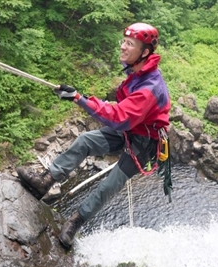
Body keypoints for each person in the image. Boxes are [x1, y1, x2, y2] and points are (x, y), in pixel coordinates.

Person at [16, 22, 172, 249]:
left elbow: (121, 117)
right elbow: (124, 112)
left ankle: (76, 221)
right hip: (130, 129)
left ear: (144, 52)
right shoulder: (138, 73)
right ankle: (45, 181)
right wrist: (84, 98)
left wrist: (80, 99)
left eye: (129, 44)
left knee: (111, 184)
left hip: (144, 140)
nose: (123, 47)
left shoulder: (150, 86)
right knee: (85, 140)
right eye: (124, 42)